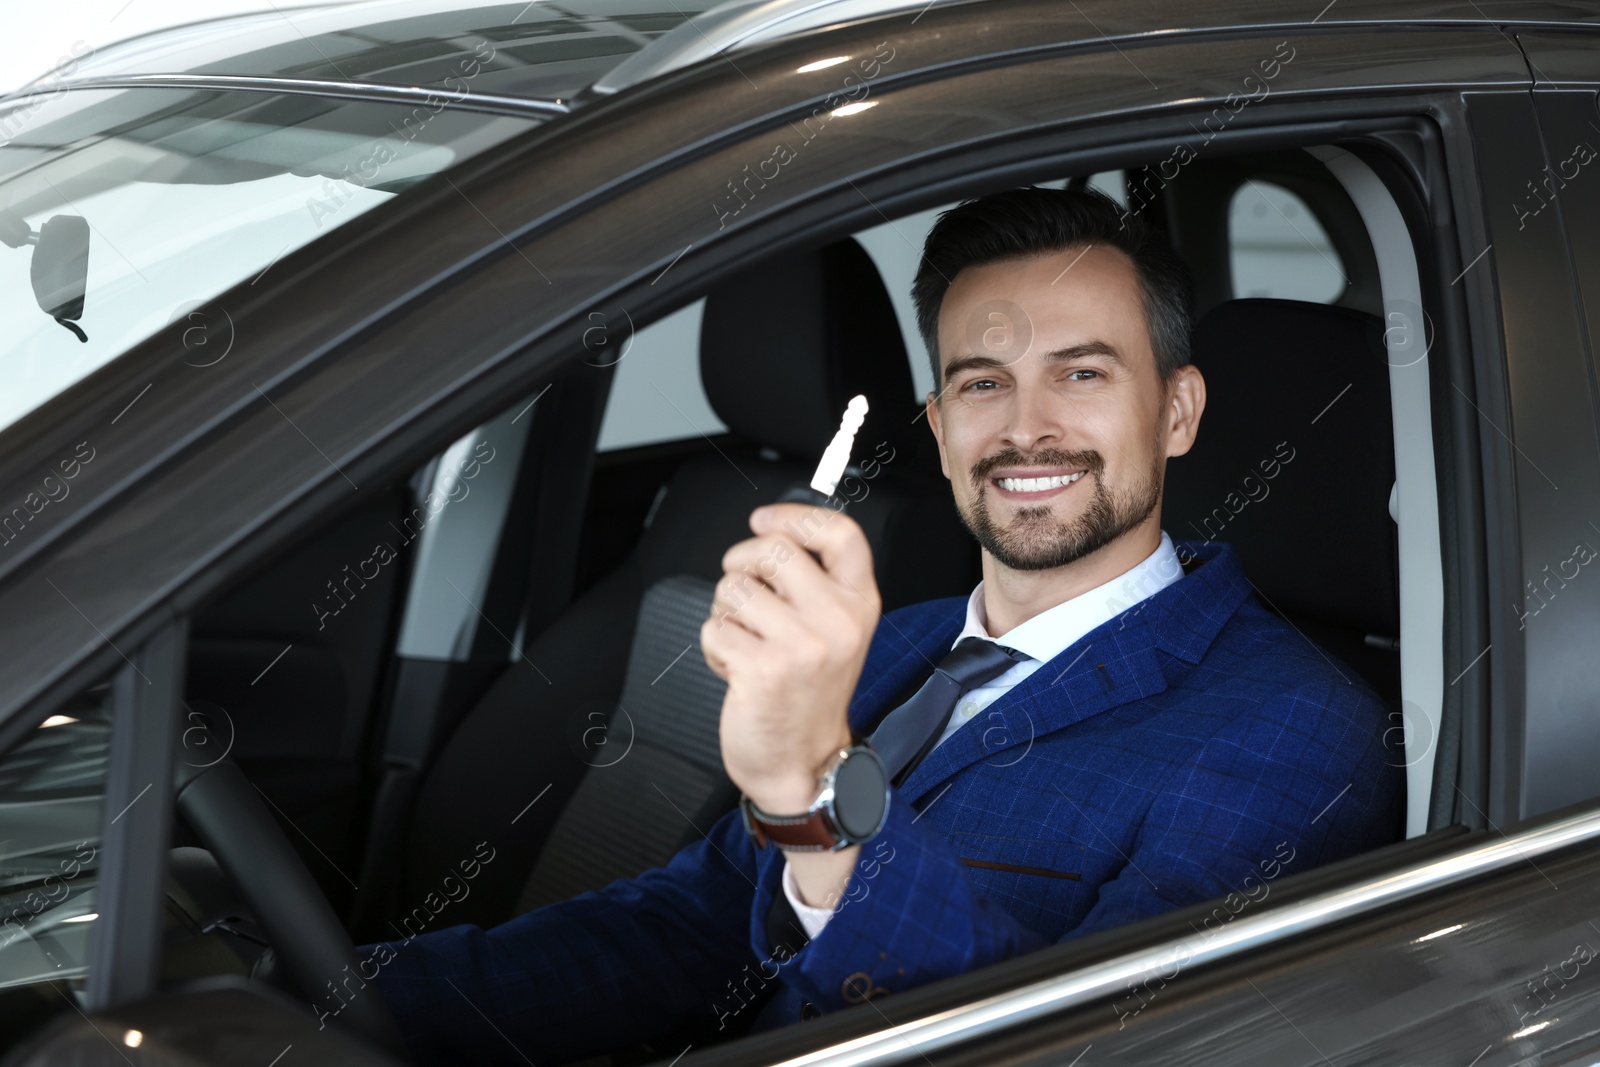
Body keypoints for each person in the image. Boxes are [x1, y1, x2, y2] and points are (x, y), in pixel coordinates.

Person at [362, 186, 1404, 1064]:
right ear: (939, 426)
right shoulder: (893, 643)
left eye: (1081, 374)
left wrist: (817, 786)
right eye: (980, 383)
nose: (1025, 424)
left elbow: (1077, 1046)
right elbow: (690, 925)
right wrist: (339, 1009)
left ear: (1176, 412)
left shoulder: (1300, 732)